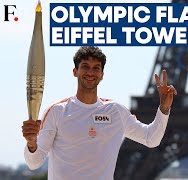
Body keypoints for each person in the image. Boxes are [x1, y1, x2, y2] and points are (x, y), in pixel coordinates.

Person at [22, 46, 177, 180]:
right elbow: (34, 162)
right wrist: (31, 143)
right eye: (85, 66)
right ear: (75, 71)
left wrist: (163, 109)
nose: (91, 72)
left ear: (102, 75)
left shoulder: (116, 111)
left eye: (96, 68)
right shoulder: (57, 111)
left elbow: (151, 139)